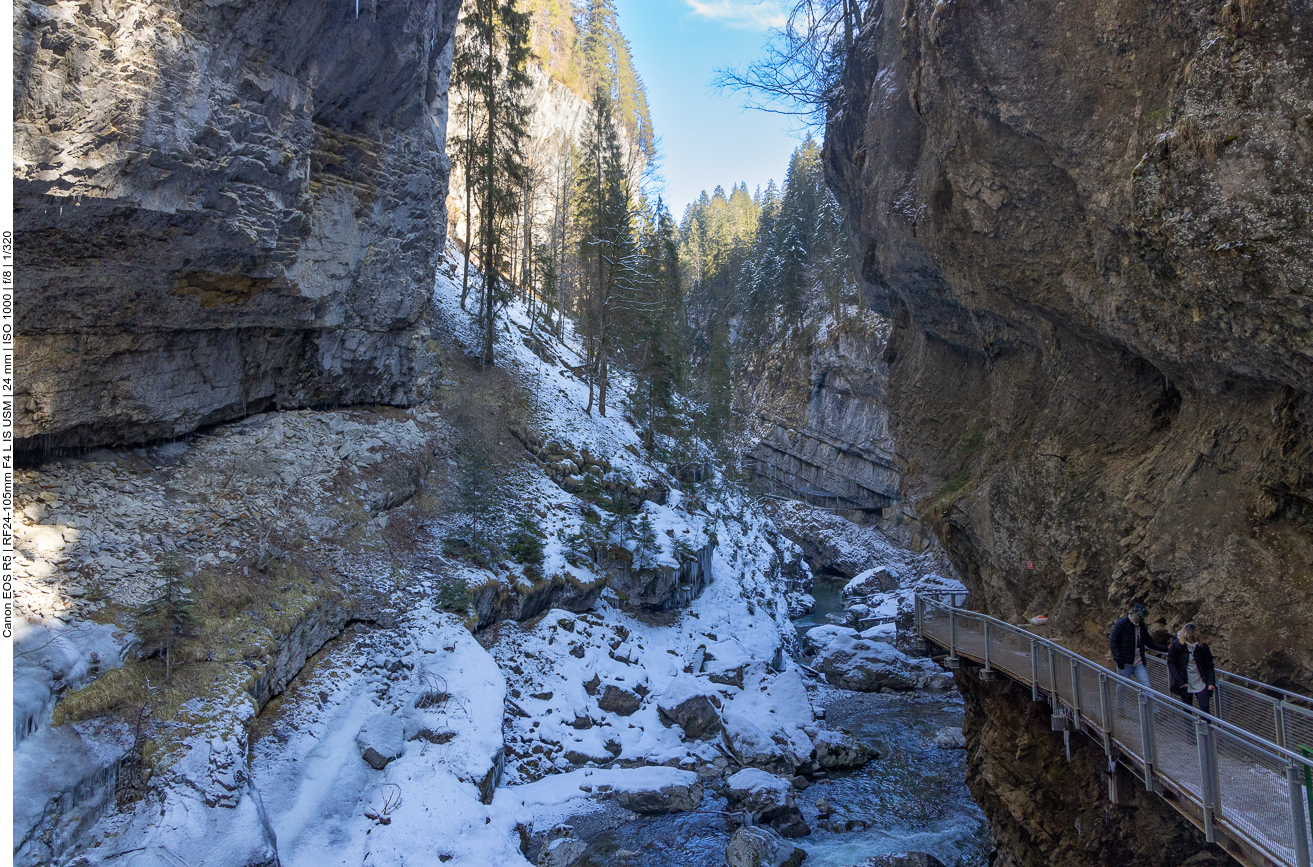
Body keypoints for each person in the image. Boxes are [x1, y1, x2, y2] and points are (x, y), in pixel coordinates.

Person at [1111, 602, 1166, 708]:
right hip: (1125, 662)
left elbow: (1149, 642)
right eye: (1137, 616)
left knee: (1147, 686)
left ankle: (1154, 711)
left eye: (1140, 617)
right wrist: (1118, 659)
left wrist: (1166, 649)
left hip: (1138, 662)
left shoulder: (1141, 628)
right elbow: (1113, 643)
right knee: (1122, 686)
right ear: (1133, 614)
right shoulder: (1121, 625)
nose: (1138, 619)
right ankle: (1120, 707)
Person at [1167, 622, 1216, 715]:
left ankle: (1205, 728)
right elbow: (1171, 663)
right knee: (1187, 709)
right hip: (1185, 681)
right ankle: (1189, 729)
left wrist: (1210, 682)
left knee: (1205, 707)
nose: (1193, 640)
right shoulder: (1177, 645)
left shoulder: (1203, 647)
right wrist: (1180, 681)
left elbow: (1209, 665)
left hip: (1201, 681)